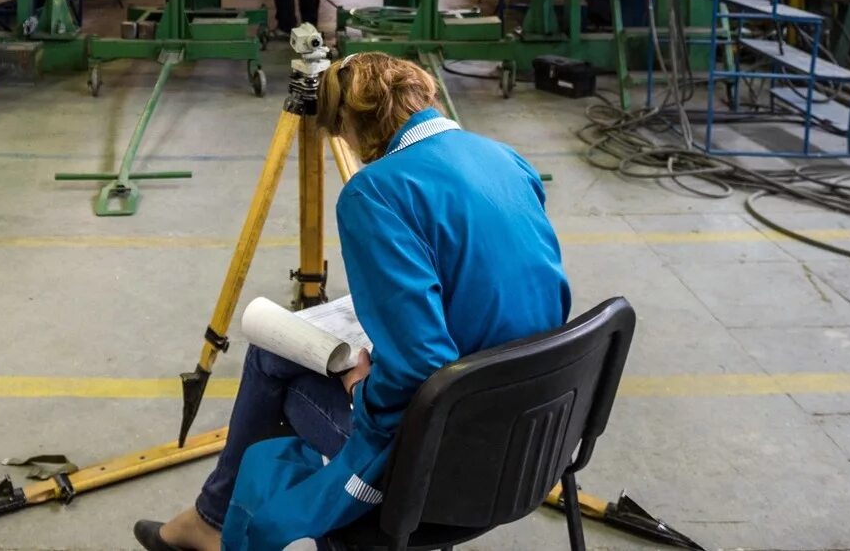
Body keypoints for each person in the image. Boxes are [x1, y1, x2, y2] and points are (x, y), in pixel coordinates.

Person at [137, 52, 570, 551]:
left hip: (448, 454)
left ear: (350, 122)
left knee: (278, 371)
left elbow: (421, 366)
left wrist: (360, 388)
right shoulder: (502, 156)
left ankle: (219, 522)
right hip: (538, 430)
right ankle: (210, 520)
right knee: (275, 350)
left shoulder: (376, 193)